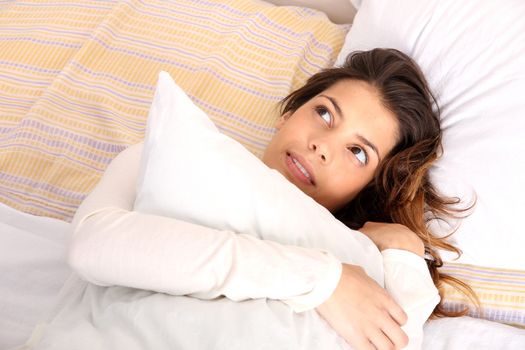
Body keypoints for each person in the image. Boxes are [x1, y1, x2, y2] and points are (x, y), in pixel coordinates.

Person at [69, 49, 473, 350]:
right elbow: (93, 246)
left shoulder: (358, 256)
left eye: (357, 152)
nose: (322, 146)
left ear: (366, 188)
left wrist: (404, 250)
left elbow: (397, 340)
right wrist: (321, 281)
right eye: (325, 114)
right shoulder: (178, 156)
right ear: (289, 113)